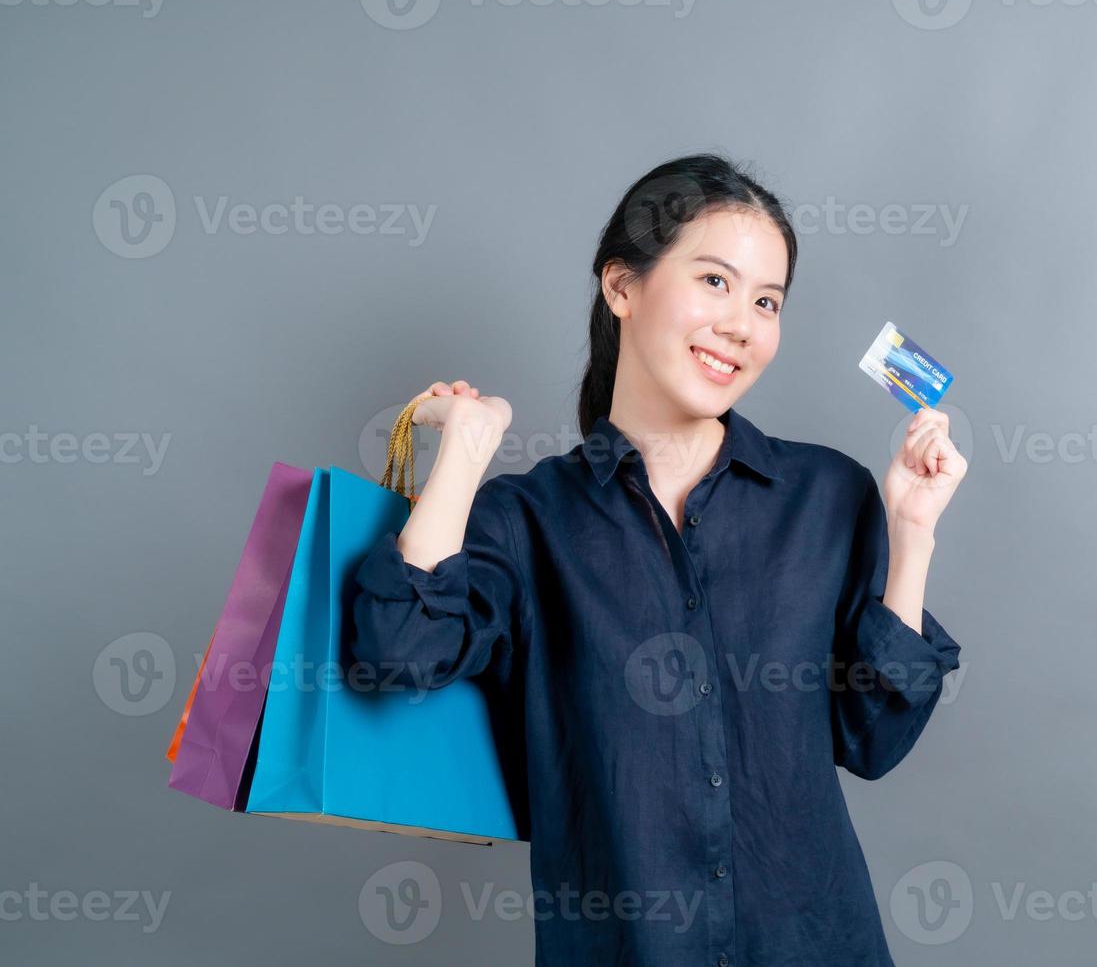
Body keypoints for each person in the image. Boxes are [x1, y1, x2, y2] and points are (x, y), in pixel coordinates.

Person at [347, 153, 968, 966]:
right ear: (622, 288)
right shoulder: (528, 521)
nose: (742, 324)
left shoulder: (829, 495)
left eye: (766, 300)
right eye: (715, 282)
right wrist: (464, 454)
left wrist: (912, 535)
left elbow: (874, 739)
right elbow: (395, 653)